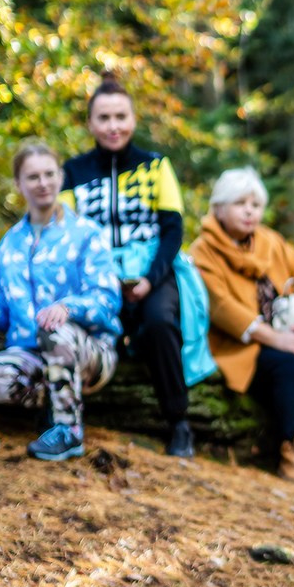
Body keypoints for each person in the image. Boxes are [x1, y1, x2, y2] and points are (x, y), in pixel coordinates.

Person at [60, 74, 194, 458]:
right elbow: (68, 234)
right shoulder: (73, 171)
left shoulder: (156, 165)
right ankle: (59, 415)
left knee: (160, 322)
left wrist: (151, 280)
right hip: (94, 276)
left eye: (120, 116)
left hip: (151, 270)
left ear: (133, 119)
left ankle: (179, 423)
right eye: (104, 118)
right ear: (90, 124)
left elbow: (172, 230)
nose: (113, 126)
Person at [190, 167, 294, 493]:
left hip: (283, 336)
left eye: (255, 204)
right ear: (219, 207)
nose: (250, 211)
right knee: (288, 363)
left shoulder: (270, 241)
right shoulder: (204, 250)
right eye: (240, 203)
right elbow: (223, 310)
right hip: (241, 346)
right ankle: (293, 450)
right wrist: (281, 340)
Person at [0, 140, 121, 460]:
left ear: (60, 177)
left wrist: (68, 307)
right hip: (32, 354)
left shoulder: (87, 233)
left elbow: (107, 300)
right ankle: (52, 400)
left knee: (54, 330)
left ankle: (69, 430)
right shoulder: (11, 244)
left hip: (89, 352)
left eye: (49, 174)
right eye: (32, 177)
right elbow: (8, 313)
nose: (42, 183)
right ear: (18, 184)